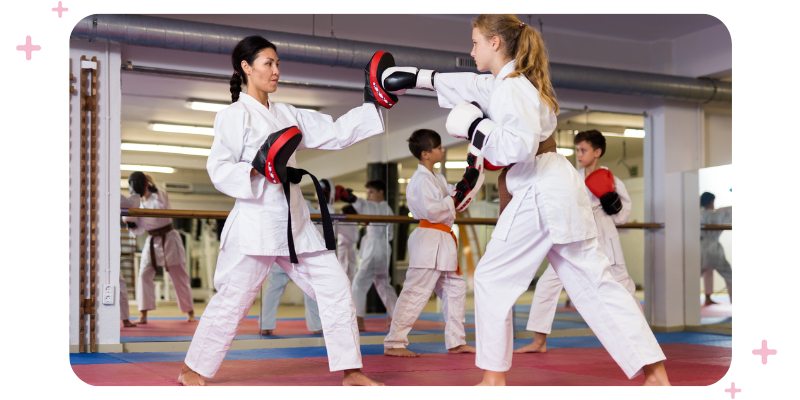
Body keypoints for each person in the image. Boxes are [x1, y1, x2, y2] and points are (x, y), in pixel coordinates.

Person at [382, 14, 669, 385]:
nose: (471, 50)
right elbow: (470, 85)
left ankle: (493, 379)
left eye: (475, 42)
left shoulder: (512, 87)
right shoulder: (514, 83)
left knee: (491, 277)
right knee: (598, 283)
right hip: (558, 186)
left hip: (539, 187)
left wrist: (475, 127)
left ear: (495, 43)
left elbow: (517, 147)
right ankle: (655, 372)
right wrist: (419, 78)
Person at [178, 35, 387, 386]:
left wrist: (374, 103)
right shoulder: (233, 115)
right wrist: (256, 168)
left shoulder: (287, 113)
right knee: (233, 299)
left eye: (277, 64)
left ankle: (351, 371)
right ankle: (191, 369)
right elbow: (219, 168)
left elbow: (335, 133)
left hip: (295, 224)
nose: (276, 70)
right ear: (246, 67)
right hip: (256, 223)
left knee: (336, 287)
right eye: (268, 63)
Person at [515, 129, 641, 354]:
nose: (579, 155)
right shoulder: (572, 177)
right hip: (575, 238)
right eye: (577, 150)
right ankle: (539, 341)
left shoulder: (612, 180)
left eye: (583, 150)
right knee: (547, 284)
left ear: (597, 152)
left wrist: (611, 202)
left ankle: (643, 339)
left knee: (624, 288)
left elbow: (623, 218)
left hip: (605, 239)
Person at [383, 129, 475, 357]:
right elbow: (434, 211)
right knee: (415, 292)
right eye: (439, 147)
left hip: (443, 240)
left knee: (455, 290)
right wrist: (455, 197)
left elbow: (456, 200)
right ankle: (394, 342)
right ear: (426, 154)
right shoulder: (420, 180)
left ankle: (456, 341)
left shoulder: (437, 178)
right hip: (429, 239)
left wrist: (469, 180)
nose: (443, 150)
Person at [258, 179, 336, 336]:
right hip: (296, 249)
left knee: (276, 287)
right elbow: (324, 218)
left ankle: (265, 325)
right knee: (309, 287)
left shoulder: (275, 202)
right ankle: (316, 326)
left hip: (287, 248)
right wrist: (328, 202)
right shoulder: (303, 204)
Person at [122, 172, 196, 325]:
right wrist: (132, 225)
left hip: (169, 238)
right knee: (143, 275)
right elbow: (139, 230)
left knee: (179, 275)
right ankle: (143, 314)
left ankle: (190, 312)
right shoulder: (136, 203)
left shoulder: (159, 195)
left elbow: (164, 205)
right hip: (151, 241)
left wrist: (154, 190)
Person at [336, 180, 398, 332]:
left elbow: (362, 204)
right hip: (384, 249)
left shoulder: (375, 206)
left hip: (373, 249)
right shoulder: (388, 209)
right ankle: (399, 319)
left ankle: (358, 321)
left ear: (380, 192)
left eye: (371, 192)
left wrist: (351, 198)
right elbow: (389, 233)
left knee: (358, 284)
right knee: (384, 284)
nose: (369, 195)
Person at [700, 192, 732, 305]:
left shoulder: (697, 214)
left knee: (698, 274)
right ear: (711, 202)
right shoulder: (718, 214)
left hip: (699, 248)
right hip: (714, 249)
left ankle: (707, 298)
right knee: (729, 275)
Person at [120, 193, 141, 328]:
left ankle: (125, 319)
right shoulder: (111, 192)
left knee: (120, 283)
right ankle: (125, 319)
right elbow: (130, 204)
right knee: (120, 283)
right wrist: (136, 193)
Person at [338, 204, 360, 284]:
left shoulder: (345, 224)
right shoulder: (354, 223)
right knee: (350, 274)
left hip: (345, 250)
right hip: (350, 250)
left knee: (344, 274)